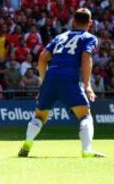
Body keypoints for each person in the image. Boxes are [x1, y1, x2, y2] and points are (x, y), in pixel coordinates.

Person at [18, 8, 105, 158]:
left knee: (39, 116)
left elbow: (42, 58)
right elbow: (86, 58)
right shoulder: (89, 38)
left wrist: (44, 81)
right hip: (68, 77)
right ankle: (87, 150)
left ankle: (27, 142)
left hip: (51, 75)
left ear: (73, 21)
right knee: (85, 116)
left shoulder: (60, 37)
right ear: (90, 23)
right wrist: (87, 85)